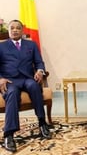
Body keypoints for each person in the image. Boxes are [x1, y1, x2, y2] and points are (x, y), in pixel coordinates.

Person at [0, 20, 51, 152]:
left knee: (34, 86)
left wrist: (40, 71)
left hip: (27, 78)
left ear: (22, 31)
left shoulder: (31, 44)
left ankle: (42, 122)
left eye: (18, 28)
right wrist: (0, 79)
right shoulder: (2, 46)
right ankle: (9, 134)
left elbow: (39, 62)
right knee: (12, 93)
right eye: (12, 28)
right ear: (9, 31)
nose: (15, 30)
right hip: (10, 80)